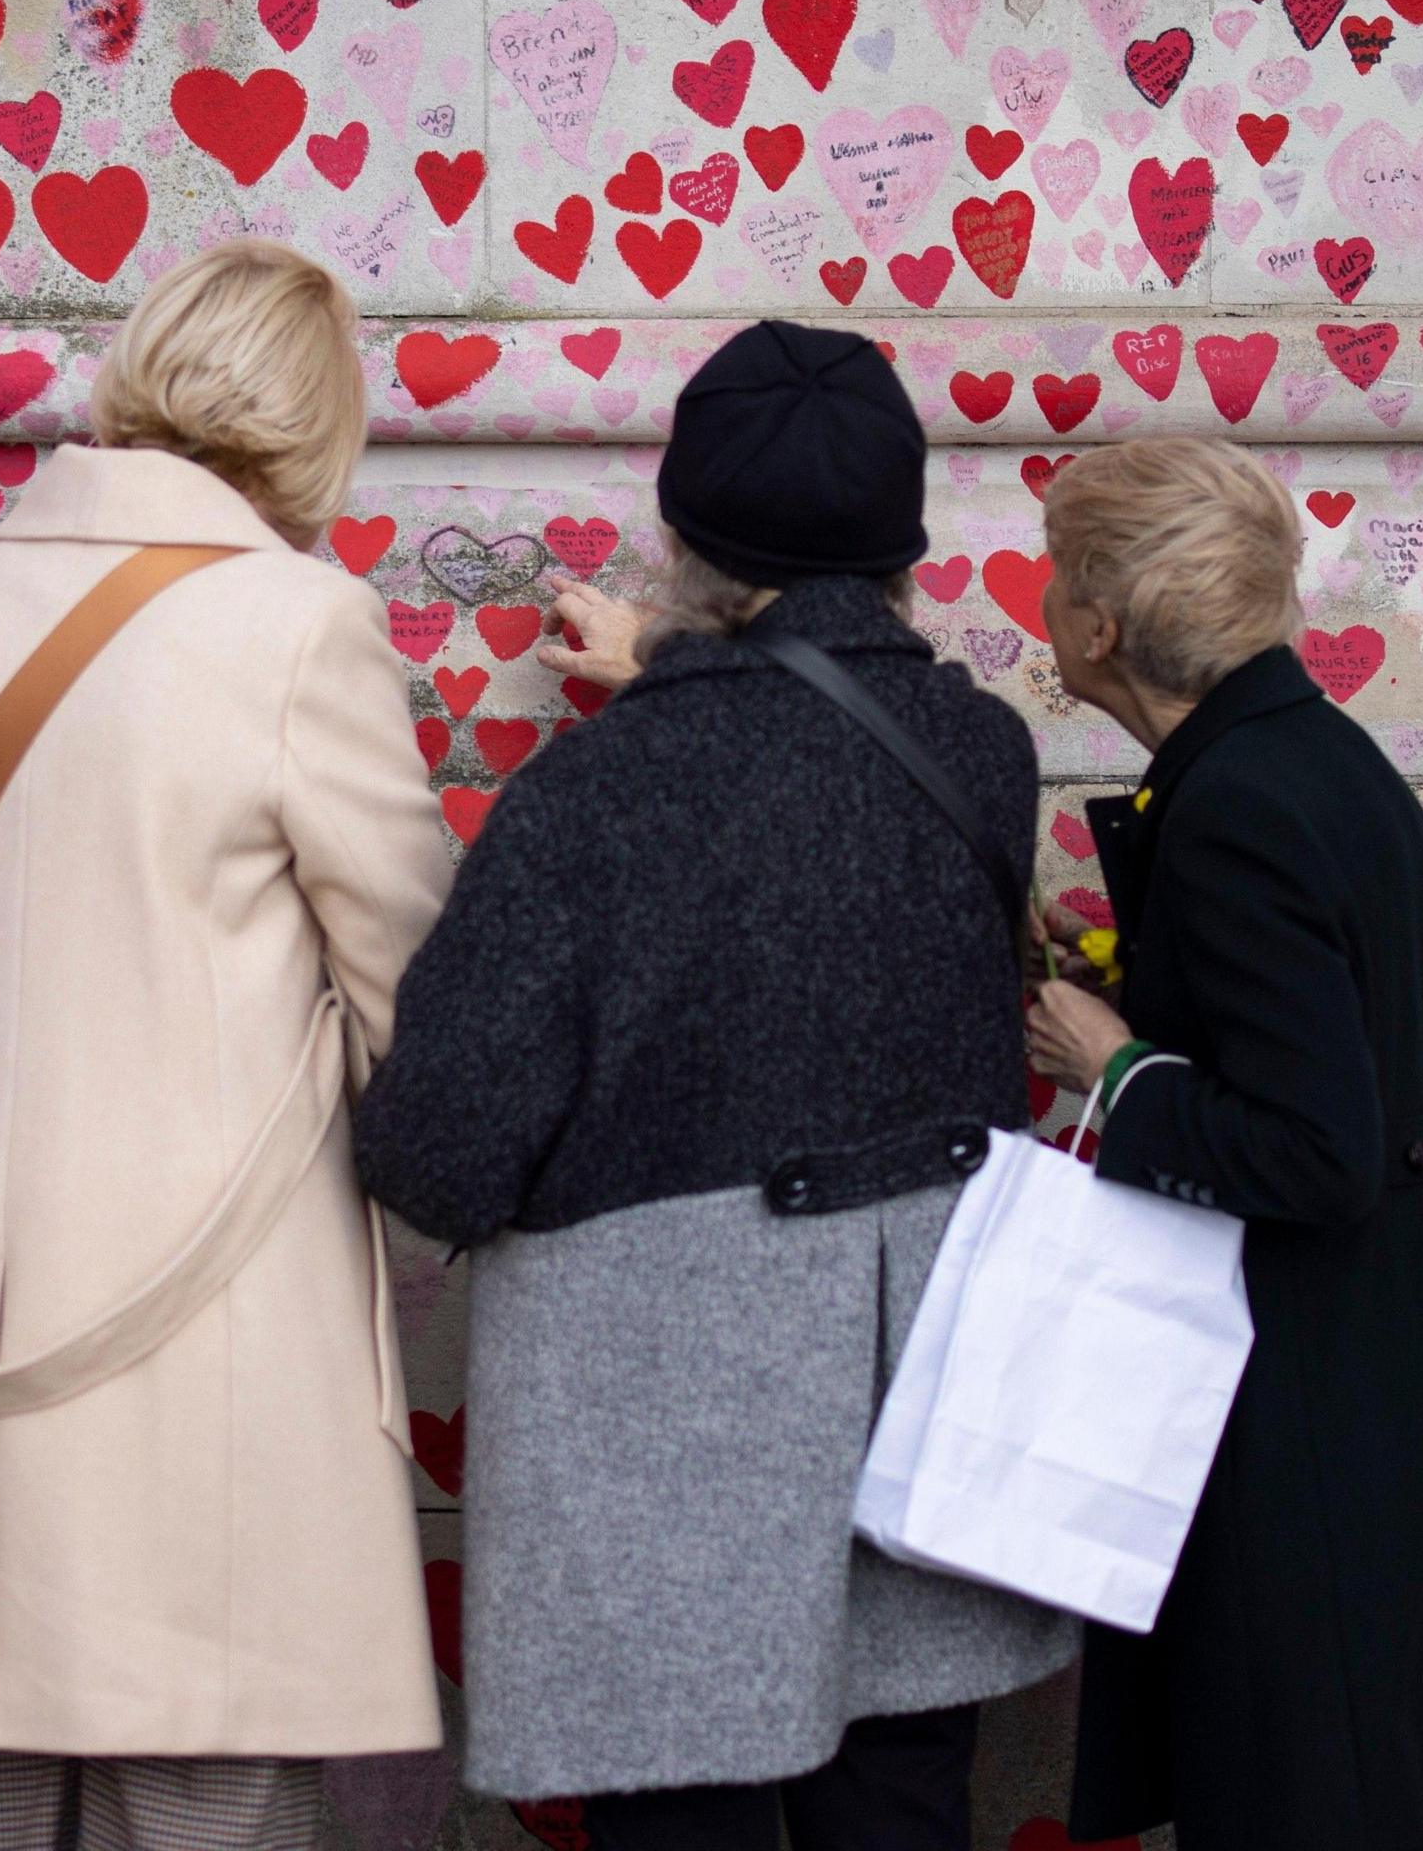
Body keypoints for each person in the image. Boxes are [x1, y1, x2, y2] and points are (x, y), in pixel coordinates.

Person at [353, 320, 1080, 1851]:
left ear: (682, 540)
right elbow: (813, 768)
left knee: (682, 1819)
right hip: (913, 1384)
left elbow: (441, 1151)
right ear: (906, 548)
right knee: (900, 1801)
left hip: (659, 1422)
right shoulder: (980, 754)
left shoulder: (593, 795)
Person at [0, 241, 451, 1851]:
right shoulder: (304, 627)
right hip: (213, 1314)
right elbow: (417, 996)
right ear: (319, 423)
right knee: (203, 1782)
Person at [1021, 437, 1423, 1851]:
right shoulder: (1318, 759)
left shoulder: (1237, 805)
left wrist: (1116, 1066)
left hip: (1327, 1399)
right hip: (1410, 1361)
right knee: (1400, 1796)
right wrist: (1147, 986)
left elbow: (1318, 1145)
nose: (1039, 603)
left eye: (1053, 577)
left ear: (1100, 626)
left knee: (1305, 1796)